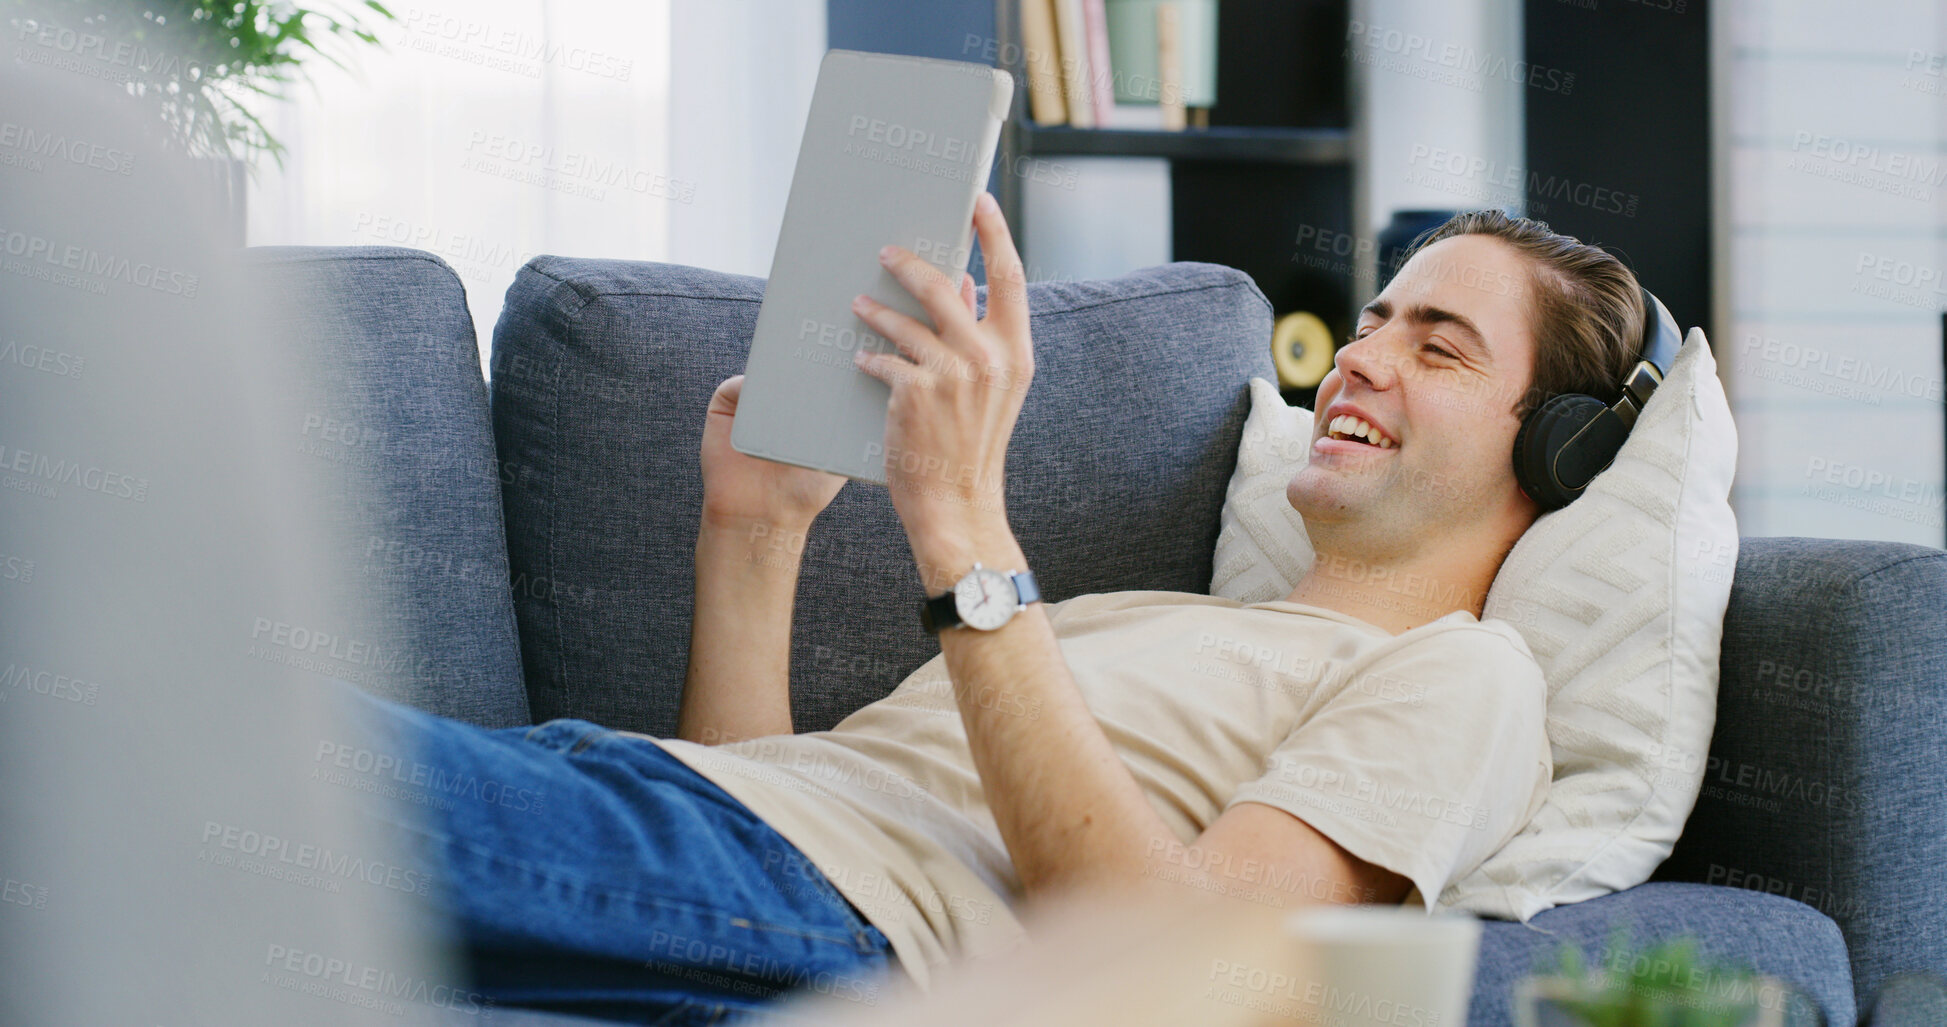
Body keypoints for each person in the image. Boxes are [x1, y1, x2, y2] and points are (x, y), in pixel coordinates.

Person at [331, 196, 1648, 1024]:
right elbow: (770, 806)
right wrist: (755, 527)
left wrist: (959, 524)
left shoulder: (1470, 679)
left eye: (1440, 346)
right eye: (1375, 318)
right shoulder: (1149, 620)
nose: (1360, 356)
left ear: (1558, 453)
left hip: (825, 919)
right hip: (705, 842)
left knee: (199, 741)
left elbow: (1186, 966)